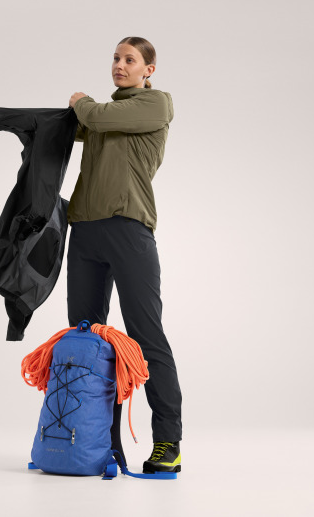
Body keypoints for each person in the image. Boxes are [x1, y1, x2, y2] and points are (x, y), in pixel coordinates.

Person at [66, 36, 182, 474]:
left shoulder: (155, 104)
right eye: (116, 58)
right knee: (85, 339)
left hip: (129, 230)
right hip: (85, 231)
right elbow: (74, 128)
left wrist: (80, 102)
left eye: (130, 59)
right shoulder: (101, 117)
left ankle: (168, 442)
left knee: (145, 337)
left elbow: (92, 115)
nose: (119, 64)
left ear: (148, 69)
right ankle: (97, 442)